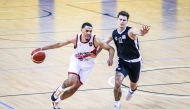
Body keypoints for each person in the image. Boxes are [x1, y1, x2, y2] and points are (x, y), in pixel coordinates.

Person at [39, 22, 115, 109]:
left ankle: (56, 102)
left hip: (88, 65)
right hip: (76, 60)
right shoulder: (75, 38)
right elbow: (59, 44)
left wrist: (111, 58)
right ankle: (58, 91)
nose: (89, 33)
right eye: (87, 31)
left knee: (75, 88)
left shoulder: (95, 40)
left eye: (90, 31)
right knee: (71, 80)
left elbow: (110, 48)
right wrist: (42, 48)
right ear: (81, 30)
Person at [101, 11, 150, 109]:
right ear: (117, 20)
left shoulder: (130, 31)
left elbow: (138, 32)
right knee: (117, 82)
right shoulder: (114, 33)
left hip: (135, 62)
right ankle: (117, 104)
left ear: (127, 21)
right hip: (123, 62)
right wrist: (94, 51)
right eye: (120, 19)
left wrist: (142, 32)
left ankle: (132, 91)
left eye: (124, 20)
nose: (122, 22)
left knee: (133, 83)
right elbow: (102, 42)